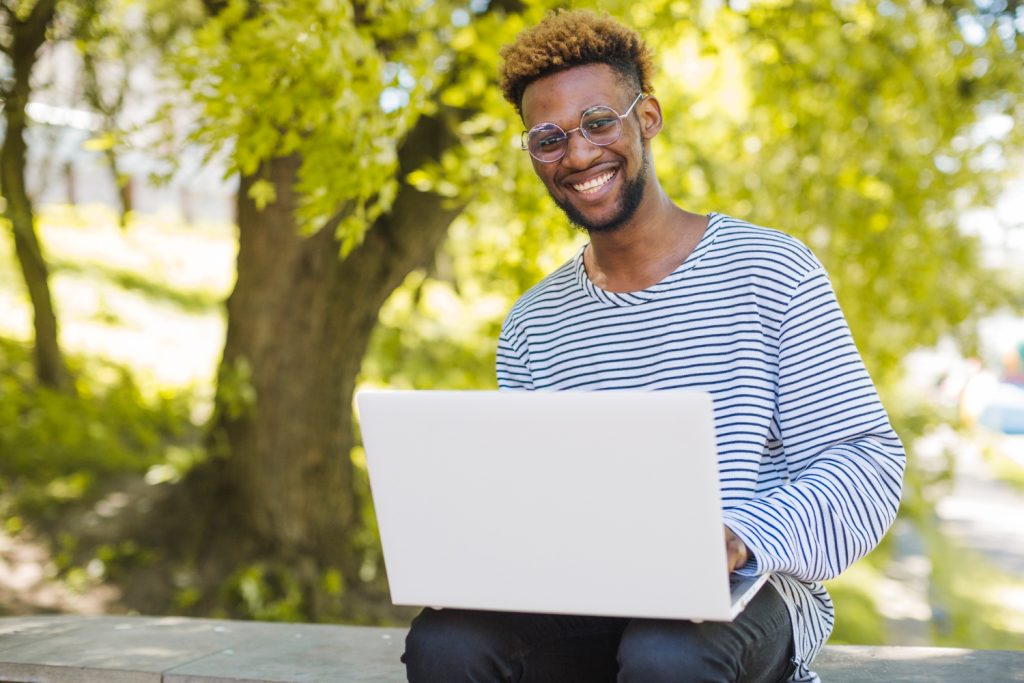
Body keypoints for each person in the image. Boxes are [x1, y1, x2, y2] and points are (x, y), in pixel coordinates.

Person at [402, 9, 906, 683]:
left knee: (666, 651)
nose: (577, 155)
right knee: (446, 641)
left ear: (648, 118)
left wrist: (739, 539)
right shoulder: (533, 324)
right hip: (587, 596)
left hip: (748, 592)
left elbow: (867, 465)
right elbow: (535, 505)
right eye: (547, 138)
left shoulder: (772, 272)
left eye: (598, 122)